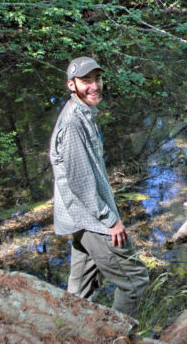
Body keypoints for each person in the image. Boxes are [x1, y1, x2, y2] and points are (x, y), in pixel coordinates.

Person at [49, 56, 150, 318]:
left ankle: (71, 331)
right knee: (135, 281)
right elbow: (81, 184)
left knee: (80, 289)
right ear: (72, 85)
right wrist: (110, 220)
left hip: (80, 218)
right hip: (92, 219)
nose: (94, 86)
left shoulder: (83, 114)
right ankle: (119, 336)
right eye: (86, 81)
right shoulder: (73, 123)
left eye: (97, 79)